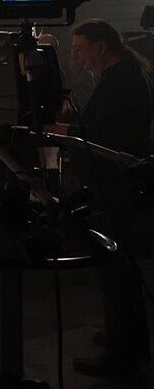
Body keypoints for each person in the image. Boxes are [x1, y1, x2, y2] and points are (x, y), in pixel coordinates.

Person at [68, 19, 153, 378]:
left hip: (116, 187)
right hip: (117, 185)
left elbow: (106, 134)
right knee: (121, 270)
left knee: (116, 269)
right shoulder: (125, 75)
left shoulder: (121, 80)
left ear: (101, 46)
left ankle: (122, 356)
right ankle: (129, 338)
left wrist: (65, 130)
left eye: (80, 49)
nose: (78, 58)